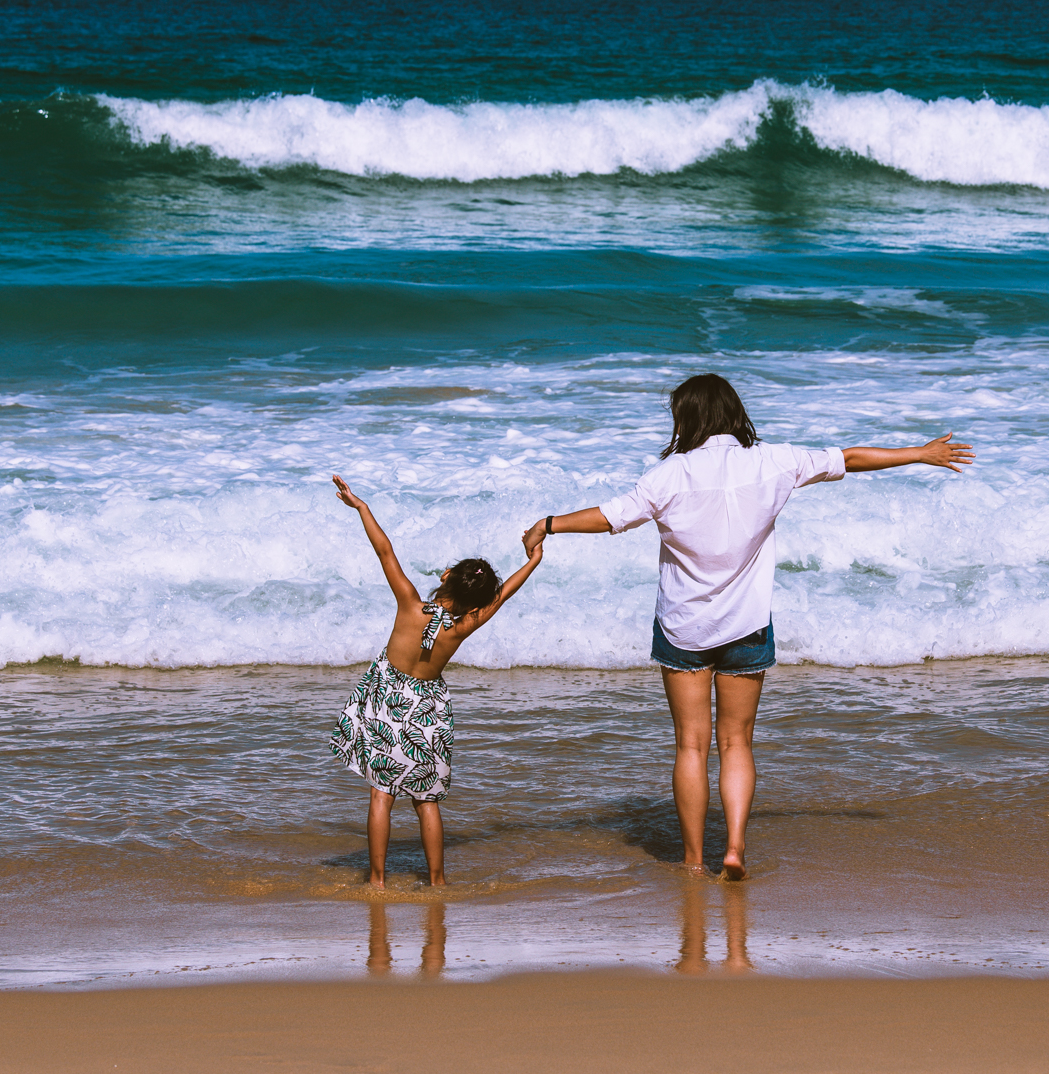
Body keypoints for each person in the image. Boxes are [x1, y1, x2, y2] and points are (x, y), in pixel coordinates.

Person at [522, 374, 972, 879]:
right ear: (733, 412)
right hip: (747, 627)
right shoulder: (773, 461)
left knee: (690, 745)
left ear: (685, 417)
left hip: (683, 628)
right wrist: (919, 453)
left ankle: (693, 860)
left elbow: (611, 518)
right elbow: (849, 458)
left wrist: (549, 523)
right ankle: (733, 847)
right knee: (737, 743)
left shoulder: (668, 475)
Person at [329, 473, 543, 888]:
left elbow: (384, 551)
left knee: (381, 796)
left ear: (444, 575)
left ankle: (376, 881)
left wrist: (362, 508)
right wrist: (532, 560)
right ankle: (437, 882)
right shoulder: (462, 628)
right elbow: (504, 595)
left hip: (388, 699)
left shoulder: (409, 603)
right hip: (428, 708)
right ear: (476, 602)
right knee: (426, 801)